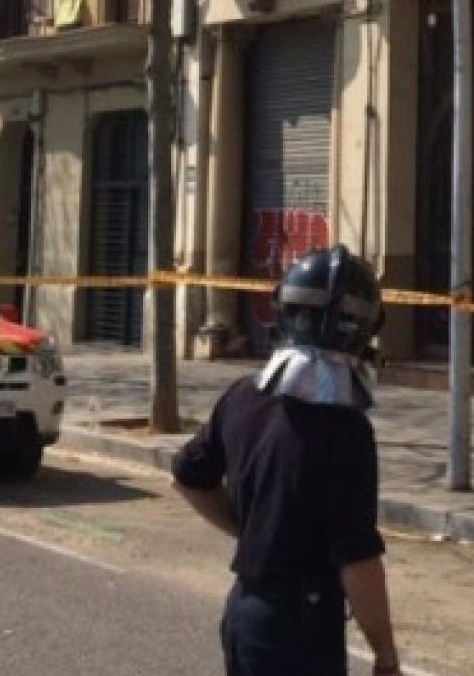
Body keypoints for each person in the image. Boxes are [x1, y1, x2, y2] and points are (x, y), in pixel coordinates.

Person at [172, 246, 403, 676]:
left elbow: (188, 477)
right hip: (302, 630)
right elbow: (358, 560)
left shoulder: (242, 397)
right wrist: (385, 656)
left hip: (244, 613)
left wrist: (251, 528)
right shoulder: (346, 430)